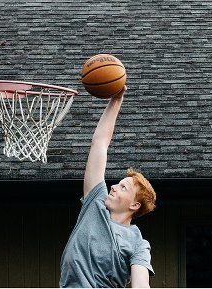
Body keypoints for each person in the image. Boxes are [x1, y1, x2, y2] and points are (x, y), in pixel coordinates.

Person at [60, 87, 157, 288]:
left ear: (134, 205)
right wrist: (116, 100)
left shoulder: (137, 244)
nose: (113, 187)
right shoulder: (95, 203)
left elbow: (141, 285)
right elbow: (99, 144)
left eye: (123, 187)